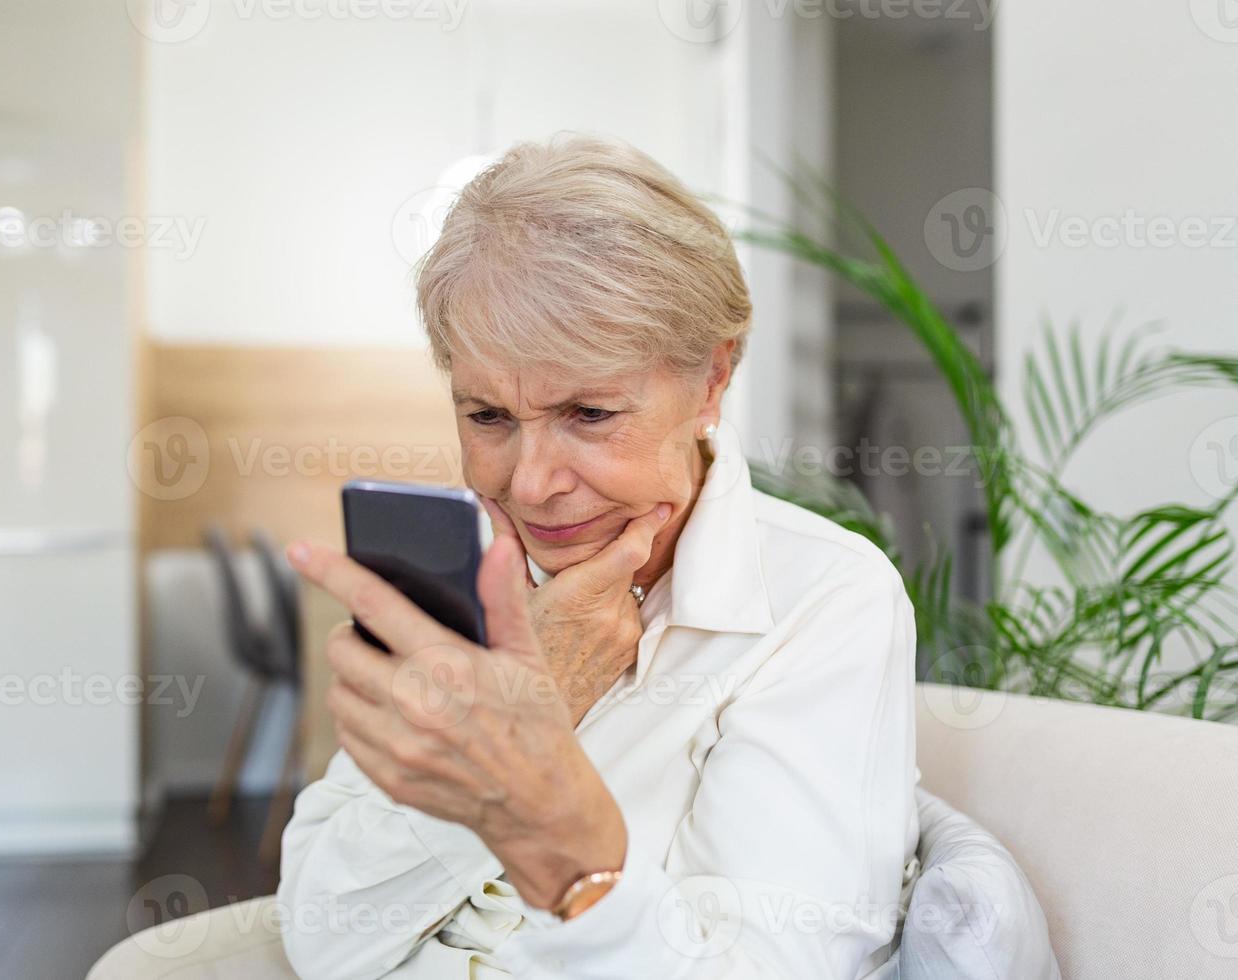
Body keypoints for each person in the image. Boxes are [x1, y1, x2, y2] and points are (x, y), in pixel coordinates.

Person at [278, 133, 919, 979]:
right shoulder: (458, 587)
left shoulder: (824, 601)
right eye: (487, 418)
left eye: (588, 413)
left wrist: (525, 740)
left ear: (711, 380)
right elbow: (322, 935)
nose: (533, 484)